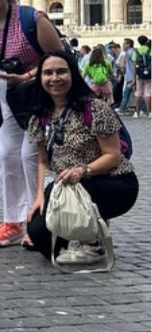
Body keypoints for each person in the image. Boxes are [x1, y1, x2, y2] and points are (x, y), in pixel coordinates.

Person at [0, 0, 64, 247]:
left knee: (30, 155)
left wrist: (24, 76)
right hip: (9, 99)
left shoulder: (33, 18)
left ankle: (40, 223)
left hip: (42, 95)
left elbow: (59, 60)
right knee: (6, 156)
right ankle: (12, 222)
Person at [25, 51, 139, 264]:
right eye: (48, 73)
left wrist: (83, 171)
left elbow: (113, 156)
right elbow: (43, 161)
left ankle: (91, 243)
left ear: (73, 74)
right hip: (67, 185)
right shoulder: (40, 116)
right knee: (39, 234)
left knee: (70, 189)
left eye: (61, 72)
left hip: (111, 182)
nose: (55, 78)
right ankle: (87, 227)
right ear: (40, 78)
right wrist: (40, 196)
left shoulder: (95, 108)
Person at [132, 35, 151, 117]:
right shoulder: (150, 51)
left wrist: (134, 78)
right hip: (149, 74)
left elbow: (134, 65)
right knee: (148, 93)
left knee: (138, 93)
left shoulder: (136, 52)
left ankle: (137, 112)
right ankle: (149, 112)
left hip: (139, 75)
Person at [117, 38, 136, 114]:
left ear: (128, 44)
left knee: (126, 94)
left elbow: (133, 65)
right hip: (131, 76)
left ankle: (122, 109)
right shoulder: (131, 52)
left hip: (131, 76)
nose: (123, 45)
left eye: (124, 44)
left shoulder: (129, 53)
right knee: (134, 93)